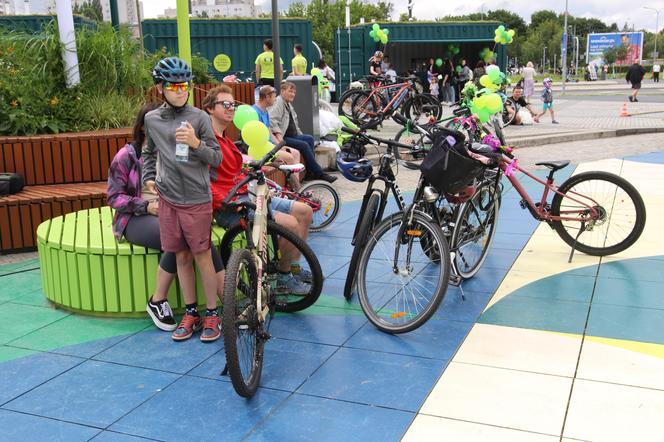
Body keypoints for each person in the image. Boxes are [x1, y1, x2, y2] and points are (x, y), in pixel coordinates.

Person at [107, 102, 227, 334]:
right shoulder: (128, 155)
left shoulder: (178, 147)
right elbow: (114, 197)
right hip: (135, 217)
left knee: (199, 243)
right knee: (182, 241)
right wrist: (146, 206)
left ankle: (218, 308)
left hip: (177, 206)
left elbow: (212, 164)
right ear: (146, 127)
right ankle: (158, 299)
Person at [202, 85, 314, 293]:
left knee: (305, 211)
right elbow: (207, 183)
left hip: (249, 195)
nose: (231, 108)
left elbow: (238, 172)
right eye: (224, 104)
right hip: (232, 207)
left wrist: (268, 168)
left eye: (233, 104)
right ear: (210, 109)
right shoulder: (208, 143)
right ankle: (284, 277)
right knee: (291, 224)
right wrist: (234, 201)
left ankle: (293, 267)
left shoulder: (227, 140)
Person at [142, 57, 223, 342]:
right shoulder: (152, 120)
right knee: (181, 257)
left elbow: (216, 157)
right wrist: (148, 178)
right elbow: (148, 153)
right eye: (173, 86)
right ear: (161, 88)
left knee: (202, 257)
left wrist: (196, 143)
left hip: (197, 199)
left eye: (184, 85)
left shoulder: (200, 118)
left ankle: (213, 313)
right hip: (168, 200)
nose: (179, 90)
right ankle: (191, 313)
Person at [269, 81, 337, 183]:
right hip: (282, 138)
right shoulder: (279, 102)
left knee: (309, 138)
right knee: (304, 145)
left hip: (291, 136)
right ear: (282, 91)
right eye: (290, 91)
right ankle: (319, 174)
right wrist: (279, 137)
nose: (293, 94)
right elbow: (272, 120)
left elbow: (295, 124)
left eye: (294, 92)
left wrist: (300, 134)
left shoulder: (287, 104)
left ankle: (310, 173)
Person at [253, 85, 301, 190]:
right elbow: (258, 137)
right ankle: (296, 189)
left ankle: (297, 187)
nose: (275, 99)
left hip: (270, 147)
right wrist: (275, 147)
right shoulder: (255, 112)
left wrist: (278, 145)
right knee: (289, 157)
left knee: (296, 153)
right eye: (274, 97)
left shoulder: (265, 110)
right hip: (262, 149)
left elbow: (269, 131)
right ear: (267, 97)